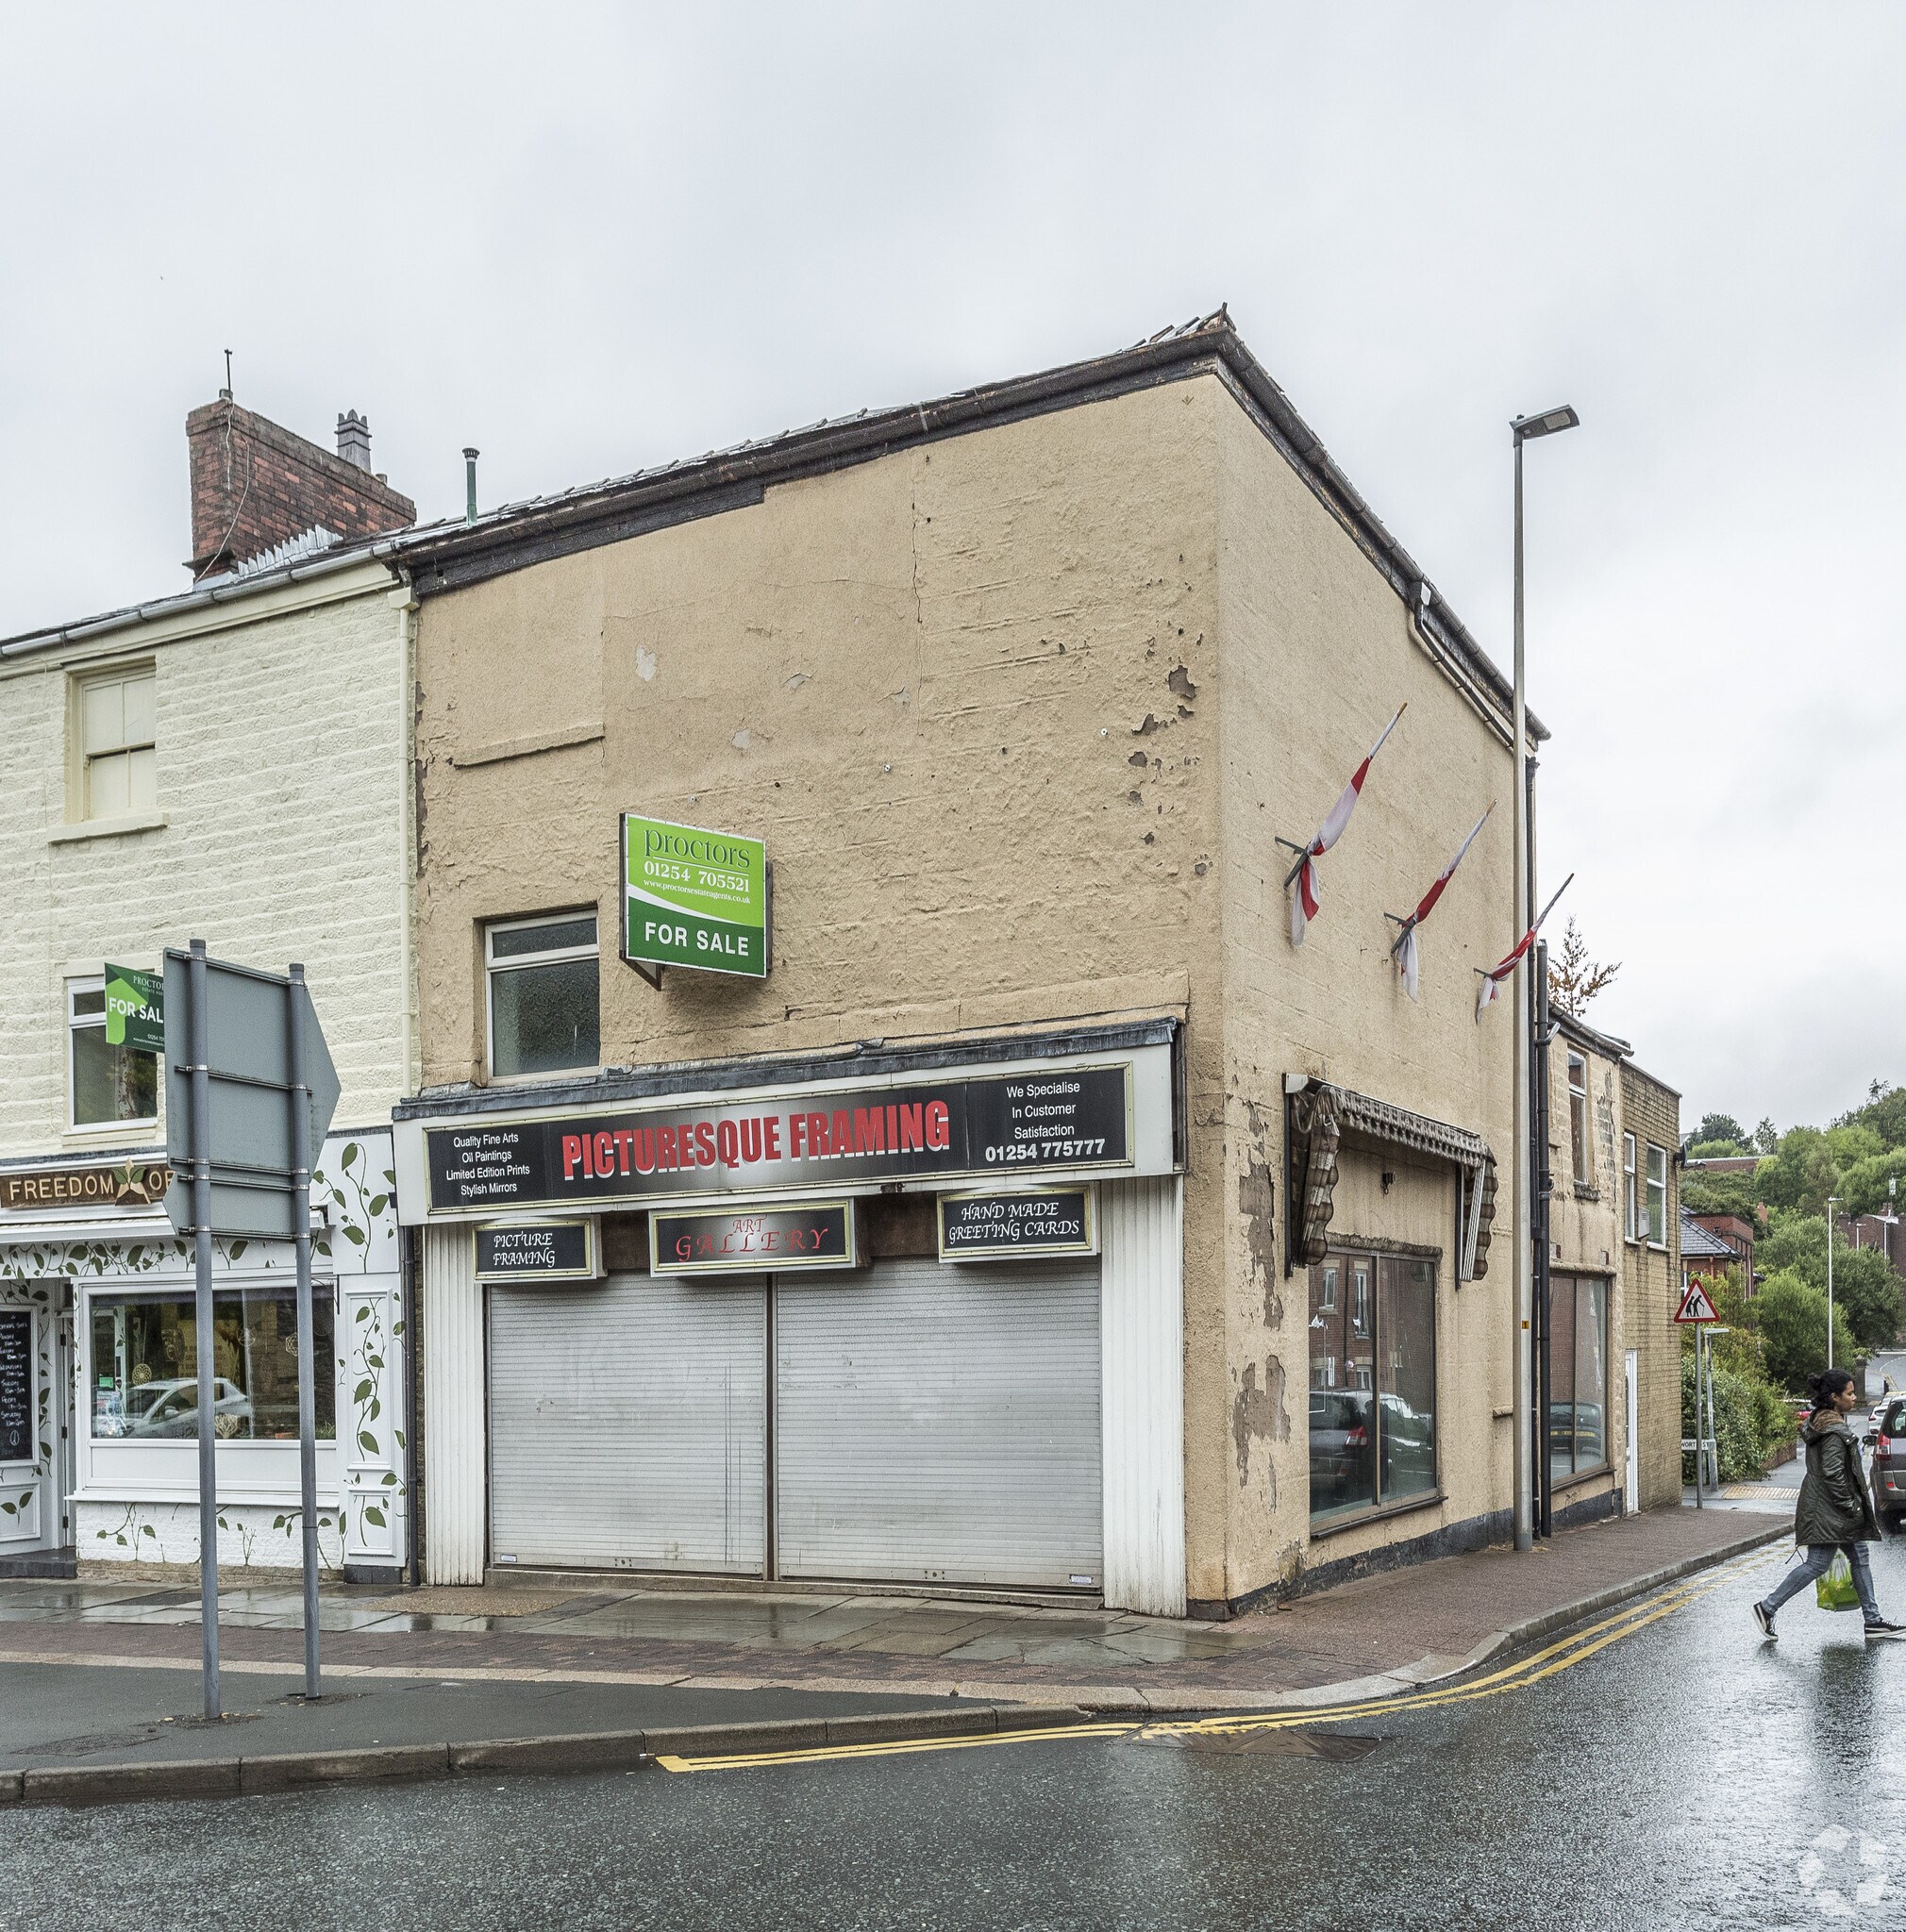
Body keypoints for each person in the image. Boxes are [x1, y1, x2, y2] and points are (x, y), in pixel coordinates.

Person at [1754, 1368, 1906, 1640]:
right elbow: (1833, 1475)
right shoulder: (1833, 1431)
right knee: (1817, 1564)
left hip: (1829, 1509)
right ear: (1835, 1397)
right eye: (1850, 1393)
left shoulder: (1824, 1422)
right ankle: (1767, 1608)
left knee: (1859, 1556)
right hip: (1831, 1512)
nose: (1854, 1397)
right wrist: (1852, 1507)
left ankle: (1873, 1620)